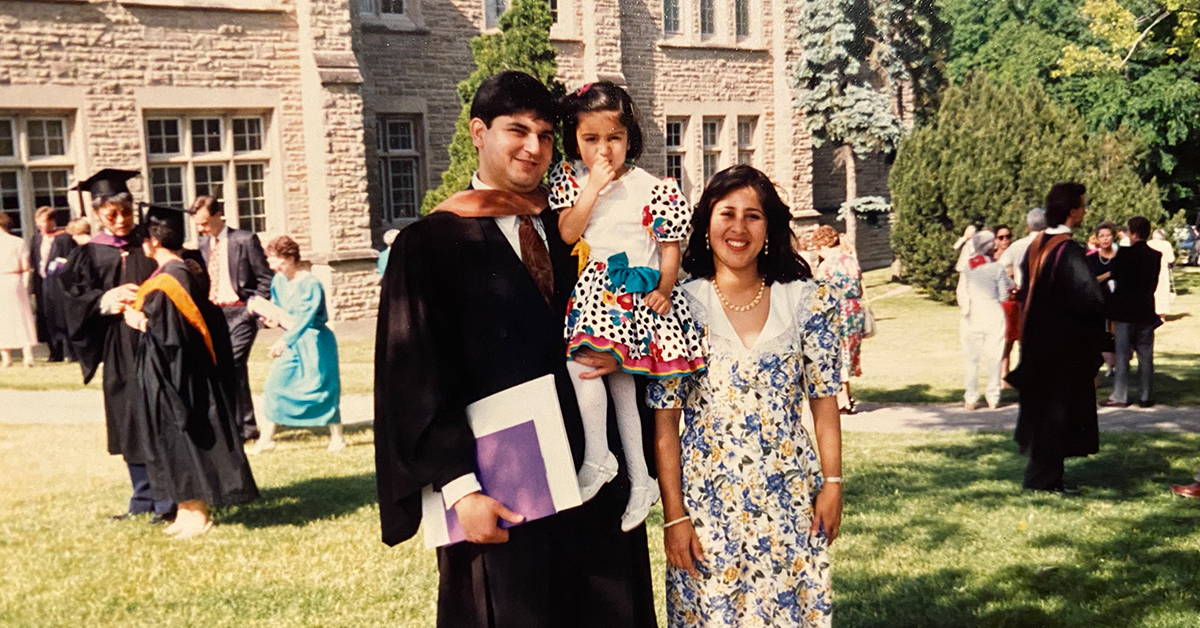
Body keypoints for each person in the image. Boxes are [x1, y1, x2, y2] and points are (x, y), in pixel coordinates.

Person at [373, 70, 657, 628]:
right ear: (479, 132)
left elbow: (645, 318)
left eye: (547, 135)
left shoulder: (581, 226)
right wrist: (459, 491)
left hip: (595, 482)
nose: (534, 147)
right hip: (503, 492)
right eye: (517, 130)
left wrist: (626, 356)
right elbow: (412, 380)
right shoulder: (429, 244)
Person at [650, 165, 844, 627]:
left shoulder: (808, 301)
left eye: (753, 216)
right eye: (727, 213)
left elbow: (824, 402)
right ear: (707, 222)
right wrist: (674, 516)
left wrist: (833, 484)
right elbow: (665, 423)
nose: (738, 228)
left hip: (789, 497)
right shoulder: (677, 306)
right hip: (707, 501)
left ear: (770, 227)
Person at [549, 81, 705, 530]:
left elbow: (669, 245)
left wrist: (666, 287)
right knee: (591, 373)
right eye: (591, 139)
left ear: (629, 137)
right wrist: (592, 189)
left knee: (615, 388)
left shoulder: (652, 187)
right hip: (597, 294)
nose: (604, 151)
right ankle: (613, 463)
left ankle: (632, 474)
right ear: (575, 139)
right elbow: (568, 233)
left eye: (613, 139)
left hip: (632, 297)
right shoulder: (574, 181)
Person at [123, 206, 259, 539]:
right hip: (168, 375)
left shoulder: (173, 278)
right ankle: (184, 509)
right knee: (169, 442)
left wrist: (138, 321)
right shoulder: (177, 271)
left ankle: (198, 513)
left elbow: (172, 338)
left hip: (178, 377)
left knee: (184, 440)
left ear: (153, 241)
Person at [59, 169, 174, 521]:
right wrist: (106, 298)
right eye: (111, 214)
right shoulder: (91, 253)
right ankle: (142, 500)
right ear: (97, 214)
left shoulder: (151, 242)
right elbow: (71, 299)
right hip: (118, 346)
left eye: (125, 211)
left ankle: (170, 501)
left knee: (162, 416)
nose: (121, 220)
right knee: (129, 419)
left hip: (156, 340)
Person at [1006, 182, 1106, 494]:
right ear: (1072, 211)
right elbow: (1089, 299)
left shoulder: (1036, 245)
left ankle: (1043, 476)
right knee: (1056, 413)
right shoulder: (1068, 251)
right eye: (1082, 206)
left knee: (1042, 410)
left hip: (1037, 343)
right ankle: (1045, 480)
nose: (1085, 211)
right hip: (1062, 348)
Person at [251, 235, 345, 454]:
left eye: (275, 259)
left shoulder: (310, 283)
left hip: (315, 341)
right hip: (290, 340)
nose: (271, 264)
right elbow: (279, 307)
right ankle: (266, 440)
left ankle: (337, 437)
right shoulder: (278, 281)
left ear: (290, 258)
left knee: (323, 389)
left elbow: (306, 317)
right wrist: (270, 317)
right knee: (274, 386)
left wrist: (285, 340)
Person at [192, 195, 273, 442]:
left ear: (218, 216)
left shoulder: (245, 240)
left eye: (205, 223)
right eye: (197, 224)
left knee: (233, 364)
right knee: (223, 368)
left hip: (240, 312)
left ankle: (243, 427)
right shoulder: (204, 244)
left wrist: (253, 307)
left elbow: (265, 278)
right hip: (215, 314)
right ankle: (237, 425)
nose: (201, 229)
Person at [1101, 216, 1161, 408]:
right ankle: (1146, 395)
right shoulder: (1155, 256)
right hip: (1145, 309)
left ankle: (1121, 395)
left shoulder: (1124, 254)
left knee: (1122, 354)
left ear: (1133, 234)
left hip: (1125, 311)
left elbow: (1116, 275)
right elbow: (1153, 284)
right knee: (1145, 355)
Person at [957, 230, 1013, 410]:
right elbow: (1004, 294)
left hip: (973, 313)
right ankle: (993, 396)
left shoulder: (968, 267)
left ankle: (971, 397)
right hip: (993, 312)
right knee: (994, 356)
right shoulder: (996, 268)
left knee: (971, 358)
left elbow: (962, 291)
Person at [812, 224, 864, 414]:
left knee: (836, 355)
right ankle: (846, 397)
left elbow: (820, 294)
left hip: (837, 311)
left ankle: (844, 400)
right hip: (855, 310)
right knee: (847, 354)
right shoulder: (851, 260)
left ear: (823, 245)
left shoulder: (827, 265)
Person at [0, 212, 38, 368]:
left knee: (2, 318)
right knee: (21, 315)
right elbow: (25, 266)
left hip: (4, 278)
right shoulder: (18, 242)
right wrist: (25, 283)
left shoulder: (17, 241)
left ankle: (6, 356)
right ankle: (27, 355)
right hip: (15, 279)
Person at [29, 207, 66, 361]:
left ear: (52, 221)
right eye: (39, 222)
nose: (42, 226)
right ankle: (53, 351)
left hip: (58, 282)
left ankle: (66, 350)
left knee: (60, 314)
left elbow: (68, 258)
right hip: (42, 282)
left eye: (45, 222)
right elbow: (33, 261)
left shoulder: (62, 238)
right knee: (46, 316)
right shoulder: (36, 239)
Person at [1086, 221, 1119, 376]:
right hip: (1099, 303)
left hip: (1118, 302)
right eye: (1102, 236)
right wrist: (1108, 275)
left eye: (1108, 235)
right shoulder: (1091, 259)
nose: (1105, 239)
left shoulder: (1120, 258)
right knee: (1102, 334)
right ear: (1097, 239)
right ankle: (1108, 365)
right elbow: (1090, 280)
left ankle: (1117, 365)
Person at [992, 225, 1020, 380]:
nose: (1005, 240)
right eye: (1001, 237)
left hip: (1014, 303)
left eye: (1008, 236)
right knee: (1000, 341)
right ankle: (1000, 374)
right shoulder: (991, 260)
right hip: (998, 304)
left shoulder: (1016, 257)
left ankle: (1006, 374)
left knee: (1011, 342)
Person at [1147, 228, 1175, 315]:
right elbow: (1171, 259)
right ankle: (1162, 315)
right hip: (1162, 270)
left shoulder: (1148, 243)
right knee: (1162, 292)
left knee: (1151, 291)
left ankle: (1151, 311)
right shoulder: (1166, 245)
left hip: (1150, 270)